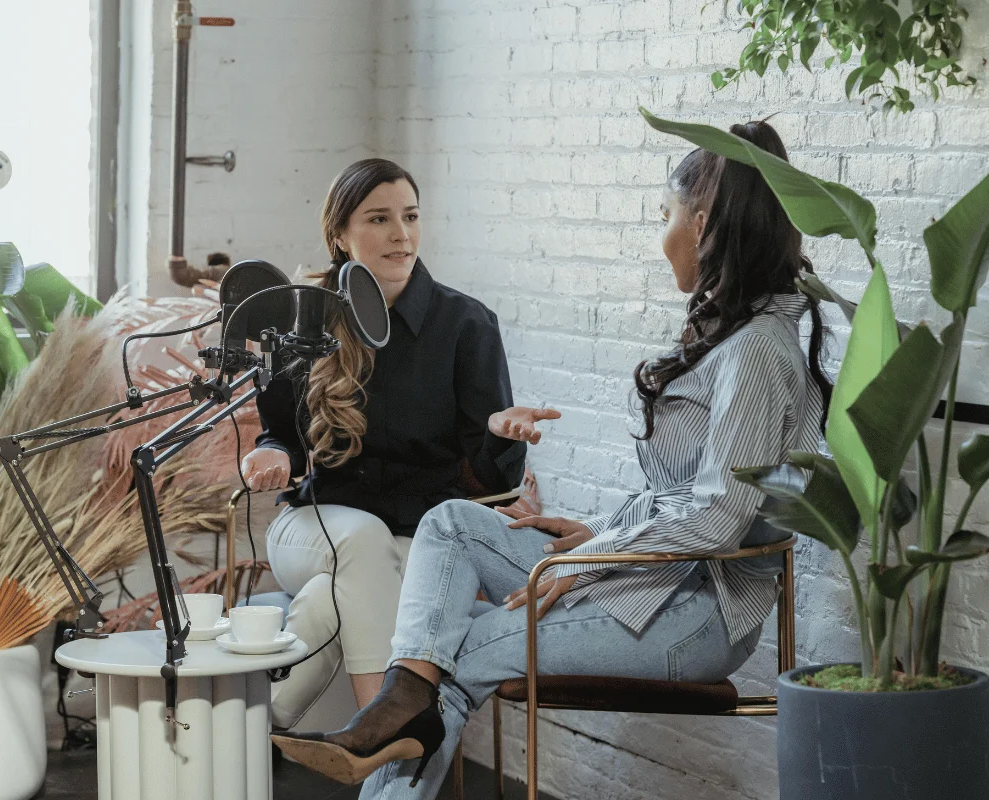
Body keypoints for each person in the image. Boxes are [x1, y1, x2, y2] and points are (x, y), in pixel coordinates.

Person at [271, 120, 832, 798]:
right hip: (649, 577)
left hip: (692, 613)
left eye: (665, 217)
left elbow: (717, 516)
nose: (662, 238)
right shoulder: (736, 336)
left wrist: (591, 557)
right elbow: (685, 494)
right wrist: (600, 534)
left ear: (704, 222)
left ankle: (392, 713)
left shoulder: (756, 351)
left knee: (445, 665)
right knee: (449, 527)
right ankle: (397, 703)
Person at [240, 158, 558, 728]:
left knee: (332, 599)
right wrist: (272, 455)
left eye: (410, 216)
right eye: (380, 218)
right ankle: (384, 731)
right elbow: (281, 439)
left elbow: (496, 484)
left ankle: (257, 720)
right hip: (313, 526)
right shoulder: (303, 321)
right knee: (363, 543)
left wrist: (500, 435)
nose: (401, 234)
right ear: (339, 235)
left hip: (420, 539)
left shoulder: (466, 325)